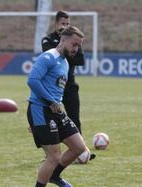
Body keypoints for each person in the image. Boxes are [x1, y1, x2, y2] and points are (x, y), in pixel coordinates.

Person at [27, 26, 86, 187]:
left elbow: (56, 91)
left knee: (79, 147)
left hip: (56, 110)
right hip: (41, 109)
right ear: (64, 39)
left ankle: (55, 176)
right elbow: (32, 81)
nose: (76, 49)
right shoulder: (48, 57)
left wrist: (57, 106)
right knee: (53, 156)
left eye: (79, 46)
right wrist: (50, 102)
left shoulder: (65, 62)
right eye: (74, 44)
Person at [42, 11, 96, 160]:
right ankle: (50, 155)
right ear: (56, 23)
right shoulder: (47, 39)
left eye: (67, 24)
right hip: (52, 88)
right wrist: (64, 45)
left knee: (74, 118)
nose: (65, 26)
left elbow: (80, 60)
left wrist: (65, 50)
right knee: (51, 121)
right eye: (62, 23)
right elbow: (51, 58)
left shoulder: (74, 41)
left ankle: (81, 152)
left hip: (70, 86)